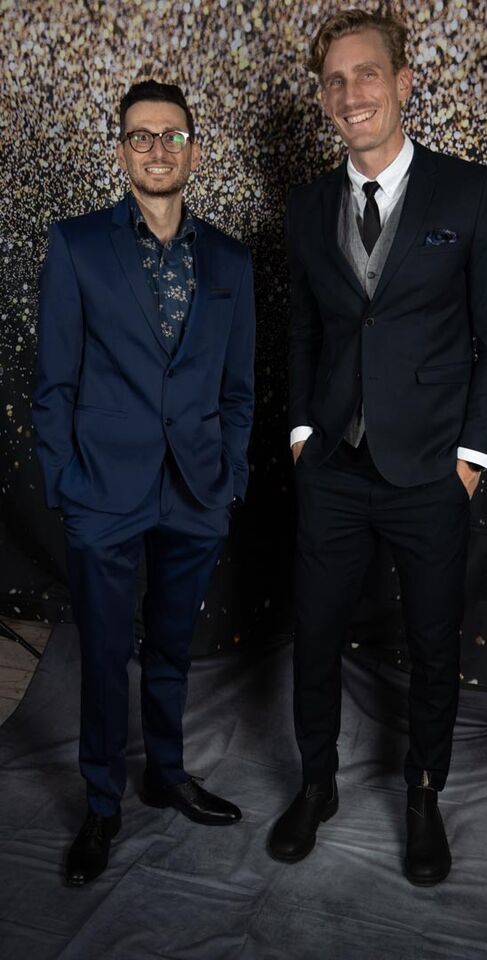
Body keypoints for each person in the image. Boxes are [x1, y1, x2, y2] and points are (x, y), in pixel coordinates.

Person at [268, 10, 487, 885]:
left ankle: (423, 794)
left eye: (367, 73)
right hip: (334, 469)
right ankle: (317, 784)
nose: (352, 94)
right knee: (313, 636)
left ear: (404, 82)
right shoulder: (306, 206)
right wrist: (302, 434)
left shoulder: (471, 194)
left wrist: (471, 461)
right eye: (335, 82)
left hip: (430, 472)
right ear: (324, 99)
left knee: (432, 643)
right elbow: (304, 328)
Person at [32, 80, 255, 886]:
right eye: (140, 136)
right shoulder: (77, 246)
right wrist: (65, 483)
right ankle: (102, 803)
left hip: (196, 491)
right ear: (121, 151)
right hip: (103, 492)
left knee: (170, 647)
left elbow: (239, 388)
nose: (157, 149)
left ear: (194, 150)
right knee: (102, 655)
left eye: (172, 135)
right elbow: (53, 383)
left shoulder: (231, 260)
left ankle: (165, 772)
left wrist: (230, 475)